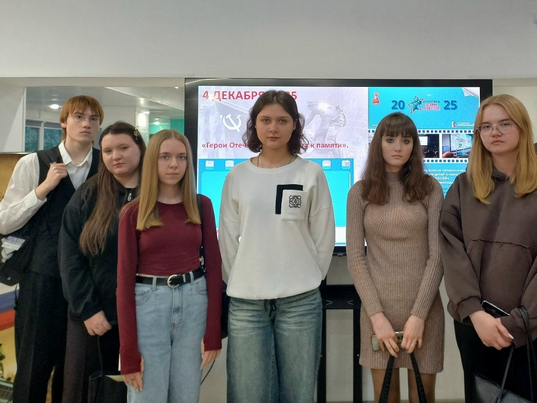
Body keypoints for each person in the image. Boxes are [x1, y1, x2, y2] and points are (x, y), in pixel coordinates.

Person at [440, 94, 537, 403]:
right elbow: (452, 252)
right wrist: (475, 313)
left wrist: (519, 322)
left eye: (505, 124)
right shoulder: (463, 186)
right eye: (486, 126)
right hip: (476, 327)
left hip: (535, 331)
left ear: (523, 127)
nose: (495, 132)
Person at [219, 90, 335, 403]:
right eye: (266, 120)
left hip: (300, 302)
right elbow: (227, 239)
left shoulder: (311, 173)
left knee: (298, 394)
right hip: (246, 304)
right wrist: (242, 279)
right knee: (247, 394)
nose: (273, 128)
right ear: (254, 125)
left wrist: (307, 278)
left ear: (294, 125)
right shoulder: (237, 176)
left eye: (282, 121)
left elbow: (323, 236)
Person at [0, 95, 103, 403]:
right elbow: (4, 221)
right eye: (79, 117)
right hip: (42, 278)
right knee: (33, 365)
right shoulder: (34, 163)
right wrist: (43, 188)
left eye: (94, 119)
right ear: (63, 122)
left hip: (89, 281)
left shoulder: (106, 165)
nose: (86, 124)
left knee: (76, 371)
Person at [116, 129, 222, 403]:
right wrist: (128, 351)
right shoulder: (133, 212)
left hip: (194, 301)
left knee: (186, 395)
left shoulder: (201, 205)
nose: (174, 164)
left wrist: (213, 331)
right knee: (147, 395)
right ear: (153, 160)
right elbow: (124, 283)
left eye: (181, 157)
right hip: (148, 305)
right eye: (165, 157)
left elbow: (214, 268)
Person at [346, 112, 444, 403]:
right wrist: (376, 317)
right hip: (377, 313)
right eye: (390, 139)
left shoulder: (430, 188)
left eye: (406, 140)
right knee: (386, 395)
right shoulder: (360, 192)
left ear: (414, 145)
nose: (398, 147)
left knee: (423, 396)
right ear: (378, 143)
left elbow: (437, 257)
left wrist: (419, 315)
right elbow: (356, 258)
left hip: (424, 312)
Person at [59, 121, 146, 403]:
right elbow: (69, 257)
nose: (115, 156)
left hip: (146, 316)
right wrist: (89, 309)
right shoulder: (89, 194)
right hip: (95, 318)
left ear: (140, 148)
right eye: (107, 151)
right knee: (88, 392)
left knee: (138, 391)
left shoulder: (158, 193)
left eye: (123, 148)